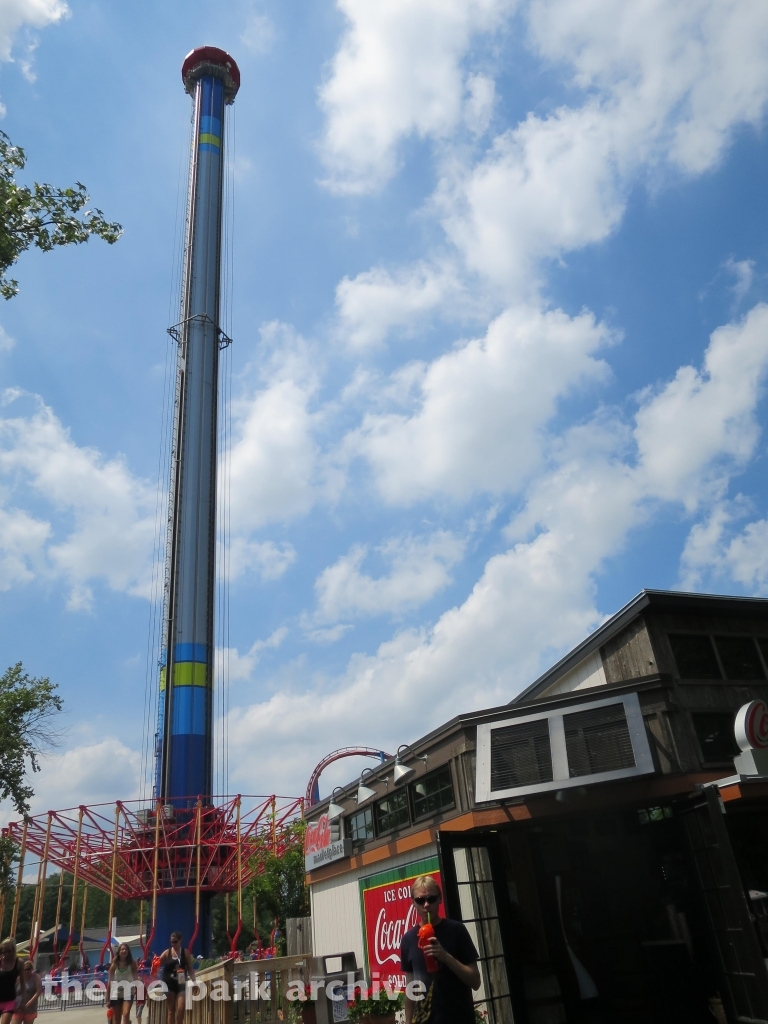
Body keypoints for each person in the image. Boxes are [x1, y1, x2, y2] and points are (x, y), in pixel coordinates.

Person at [401, 876, 481, 1024]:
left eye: (431, 899)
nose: (426, 905)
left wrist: (446, 957)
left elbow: (475, 981)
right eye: (420, 900)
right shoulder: (408, 940)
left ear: (440, 899)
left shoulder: (457, 931)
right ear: (413, 903)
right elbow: (411, 988)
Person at [157, 933, 195, 1024]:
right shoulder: (167, 952)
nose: (173, 944)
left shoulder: (185, 952)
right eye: (171, 942)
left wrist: (194, 982)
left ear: (180, 940)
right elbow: (157, 963)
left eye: (175, 942)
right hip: (169, 982)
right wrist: (155, 968)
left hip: (181, 982)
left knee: (181, 1007)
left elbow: (190, 968)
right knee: (171, 1010)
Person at [108, 944, 138, 1024]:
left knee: (126, 1013)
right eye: (122, 949)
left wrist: (139, 992)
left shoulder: (132, 964)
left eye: (126, 949)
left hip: (128, 992)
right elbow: (109, 982)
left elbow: (136, 979)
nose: (124, 951)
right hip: (115, 993)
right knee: (117, 1019)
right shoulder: (114, 964)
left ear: (128, 951)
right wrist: (107, 998)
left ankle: (127, 1021)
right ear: (119, 952)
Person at [0, 939, 23, 1024]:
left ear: (13, 950)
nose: (6, 954)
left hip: (9, 1001)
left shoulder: (19, 962)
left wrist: (23, 1001)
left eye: (9, 951)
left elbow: (23, 983)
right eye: (3, 951)